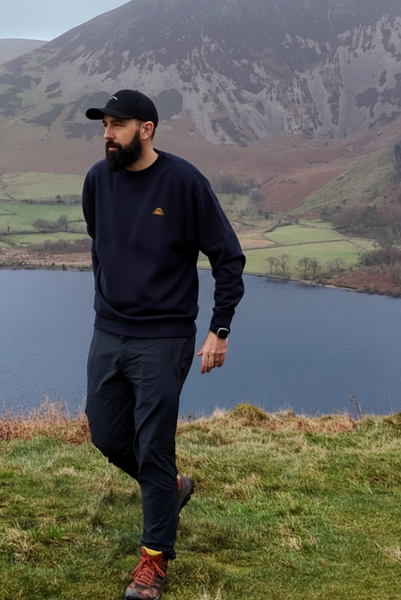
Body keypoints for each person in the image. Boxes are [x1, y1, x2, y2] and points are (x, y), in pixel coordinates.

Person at [82, 89, 245, 600]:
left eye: (117, 125)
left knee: (154, 447)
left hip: (164, 338)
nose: (107, 134)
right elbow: (101, 245)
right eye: (105, 125)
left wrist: (219, 330)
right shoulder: (96, 180)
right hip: (109, 332)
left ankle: (154, 561)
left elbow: (228, 259)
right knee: (106, 435)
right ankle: (170, 489)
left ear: (146, 129)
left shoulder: (183, 183)